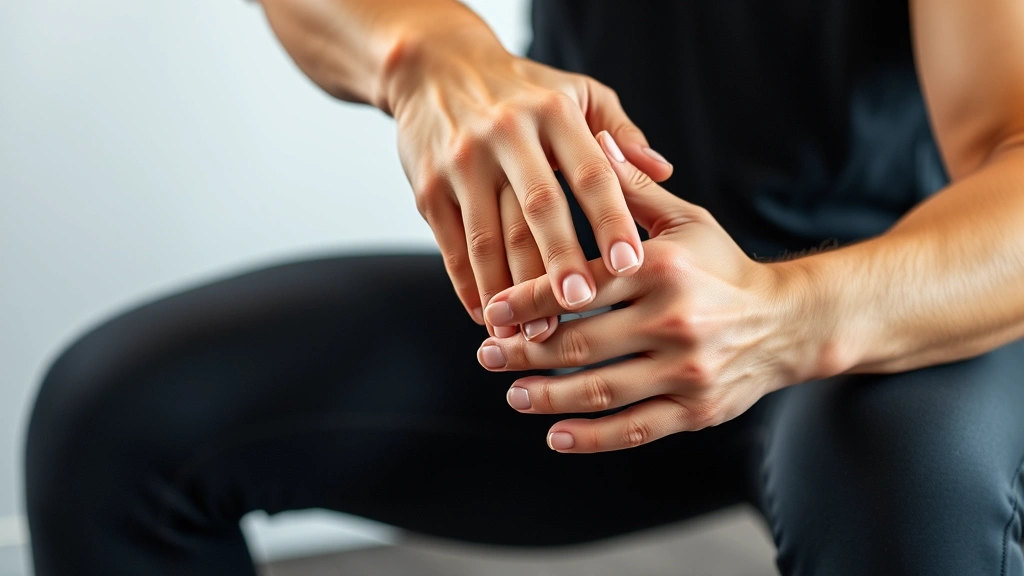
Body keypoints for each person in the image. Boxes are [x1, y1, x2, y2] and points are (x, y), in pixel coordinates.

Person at [24, 1, 1024, 574]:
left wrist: (780, 316)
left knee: (910, 482)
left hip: (882, 313)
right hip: (604, 302)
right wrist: (424, 55)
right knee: (115, 424)